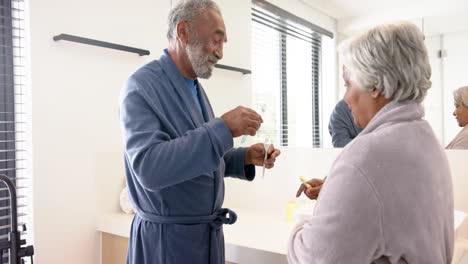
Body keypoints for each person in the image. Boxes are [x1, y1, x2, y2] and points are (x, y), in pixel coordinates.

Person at [119, 1, 281, 263]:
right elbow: (149, 168)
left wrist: (244, 158)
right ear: (183, 32)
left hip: (205, 239)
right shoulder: (141, 87)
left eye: (223, 43)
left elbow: (197, 157)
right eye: (216, 41)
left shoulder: (194, 88)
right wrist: (224, 128)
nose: (220, 53)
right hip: (166, 244)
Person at [289, 22, 454, 263]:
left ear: (375, 84)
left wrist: (300, 227)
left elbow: (314, 257)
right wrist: (338, 192)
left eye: (348, 84)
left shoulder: (364, 159)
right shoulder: (428, 141)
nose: (346, 98)